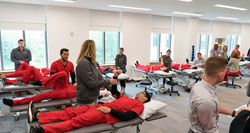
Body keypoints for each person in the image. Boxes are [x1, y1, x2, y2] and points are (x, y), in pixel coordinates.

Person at [28, 80, 151, 133]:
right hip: (97, 107)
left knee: (76, 121)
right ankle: (39, 116)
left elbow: (127, 116)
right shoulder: (128, 98)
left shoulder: (139, 106)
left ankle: (44, 130)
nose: (140, 93)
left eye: (142, 93)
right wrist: (114, 79)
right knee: (70, 111)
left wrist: (110, 110)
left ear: (145, 99)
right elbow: (115, 93)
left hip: (105, 114)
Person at [188, 56, 249, 133]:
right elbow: (210, 130)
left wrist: (234, 112)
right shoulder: (206, 100)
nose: (225, 73)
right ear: (220, 75)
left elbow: (215, 106)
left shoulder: (200, 85)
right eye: (225, 71)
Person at [2, 71, 119, 106]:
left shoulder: (99, 92)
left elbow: (111, 91)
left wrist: (103, 94)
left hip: (66, 93)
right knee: (63, 73)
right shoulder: (95, 84)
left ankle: (15, 102)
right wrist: (76, 83)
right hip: (67, 87)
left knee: (40, 96)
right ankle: (43, 82)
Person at [76, 40, 117, 105]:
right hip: (86, 99)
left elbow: (100, 78)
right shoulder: (83, 63)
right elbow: (91, 83)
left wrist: (112, 90)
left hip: (94, 97)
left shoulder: (95, 63)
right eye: (94, 47)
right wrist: (109, 81)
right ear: (90, 49)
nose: (95, 50)